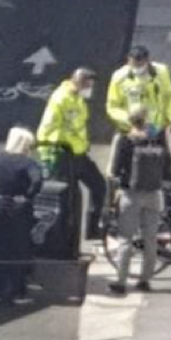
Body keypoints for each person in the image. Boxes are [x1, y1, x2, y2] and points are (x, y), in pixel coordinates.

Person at [0, 127, 43, 304]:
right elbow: (37, 181)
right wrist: (27, 196)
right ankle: (16, 292)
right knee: (18, 250)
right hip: (18, 211)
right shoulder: (28, 163)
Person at [37, 68, 107, 241]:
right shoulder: (60, 99)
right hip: (63, 154)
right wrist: (47, 155)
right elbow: (47, 127)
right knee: (67, 198)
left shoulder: (78, 99)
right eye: (88, 85)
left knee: (99, 185)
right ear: (80, 82)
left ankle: (92, 229)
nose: (90, 89)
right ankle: (64, 235)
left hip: (79, 153)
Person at [109, 108, 171, 293]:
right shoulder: (157, 138)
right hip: (153, 193)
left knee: (125, 238)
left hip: (131, 193)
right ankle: (145, 280)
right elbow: (167, 164)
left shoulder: (126, 139)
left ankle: (121, 281)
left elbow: (115, 168)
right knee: (151, 239)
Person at [106, 45, 171, 138]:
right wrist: (130, 121)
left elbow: (169, 96)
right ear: (128, 61)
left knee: (162, 152)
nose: (137, 68)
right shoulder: (119, 77)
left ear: (147, 61)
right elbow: (112, 106)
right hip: (130, 130)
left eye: (140, 65)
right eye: (134, 65)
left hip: (156, 128)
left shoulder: (161, 72)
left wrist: (169, 121)